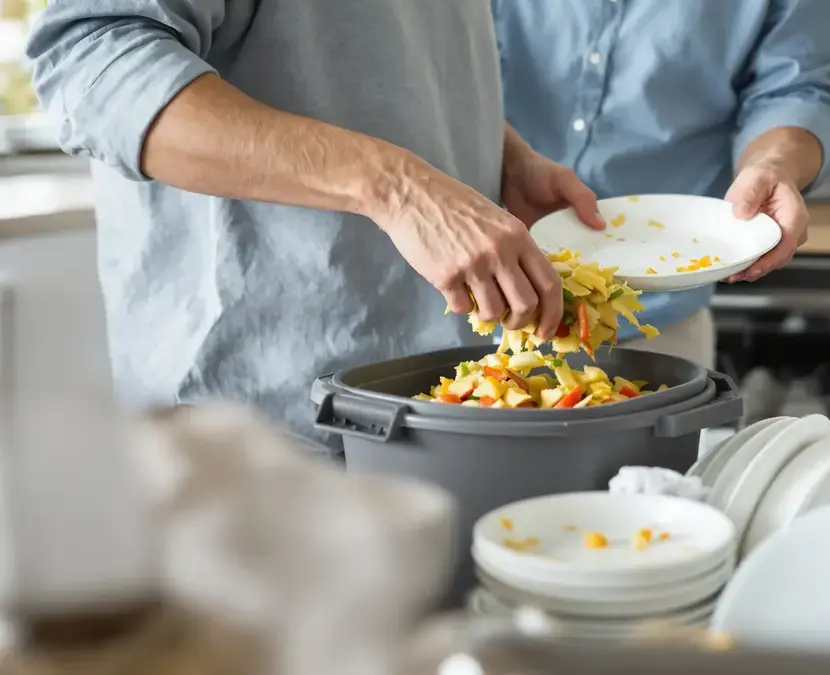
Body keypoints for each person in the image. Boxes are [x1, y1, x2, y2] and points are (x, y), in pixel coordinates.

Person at [25, 0, 604, 451]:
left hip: (433, 395)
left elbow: (369, 55)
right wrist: (397, 187)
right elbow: (95, 64)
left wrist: (498, 153)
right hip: (256, 426)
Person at [493, 0, 830, 369]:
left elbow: (799, 89)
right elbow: (446, 73)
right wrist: (509, 160)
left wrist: (773, 163)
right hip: (464, 293)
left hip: (656, 322)